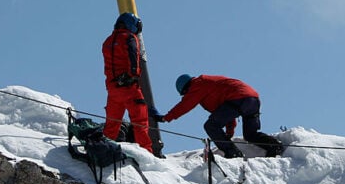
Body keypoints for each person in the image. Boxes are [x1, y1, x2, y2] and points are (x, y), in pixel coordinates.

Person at [150, 74, 284, 158]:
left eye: (186, 94)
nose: (187, 96)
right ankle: (274, 146)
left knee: (211, 125)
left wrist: (165, 118)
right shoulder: (210, 85)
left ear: (186, 89)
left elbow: (185, 105)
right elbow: (227, 112)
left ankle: (233, 154)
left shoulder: (198, 85)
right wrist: (229, 132)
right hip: (253, 98)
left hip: (238, 99)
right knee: (250, 134)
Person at [102, 12, 153, 154]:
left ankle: (103, 150)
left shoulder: (107, 41)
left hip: (112, 89)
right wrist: (133, 74)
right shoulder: (130, 38)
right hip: (129, 87)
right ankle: (147, 154)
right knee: (140, 122)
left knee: (111, 125)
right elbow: (132, 57)